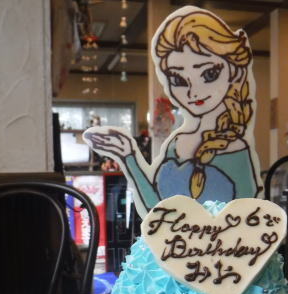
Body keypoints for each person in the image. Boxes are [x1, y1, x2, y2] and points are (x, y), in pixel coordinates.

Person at [84, 7, 263, 218]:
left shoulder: (237, 149)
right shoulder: (175, 144)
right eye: (178, 80)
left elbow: (250, 222)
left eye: (209, 74)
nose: (193, 92)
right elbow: (157, 211)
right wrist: (127, 156)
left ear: (232, 70)